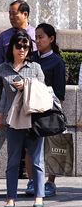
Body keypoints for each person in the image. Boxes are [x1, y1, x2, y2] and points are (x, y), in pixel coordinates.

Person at [0, 31, 46, 207]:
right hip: (13, 121)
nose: (22, 50)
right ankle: (10, 198)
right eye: (19, 46)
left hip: (34, 120)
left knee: (36, 160)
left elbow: (44, 92)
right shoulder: (4, 69)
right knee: (12, 161)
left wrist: (27, 84)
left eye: (26, 47)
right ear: (12, 47)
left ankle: (39, 196)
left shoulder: (35, 67)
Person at [25, 23, 66, 197]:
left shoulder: (57, 61)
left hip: (49, 109)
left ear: (51, 39)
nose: (37, 40)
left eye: (41, 37)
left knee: (52, 147)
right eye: (36, 36)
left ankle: (50, 182)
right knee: (29, 147)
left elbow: (60, 92)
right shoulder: (31, 57)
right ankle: (32, 181)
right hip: (30, 109)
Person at [0, 0, 36, 65]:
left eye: (14, 14)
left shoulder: (36, 34)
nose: (11, 17)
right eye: (10, 14)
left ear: (25, 14)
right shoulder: (3, 36)